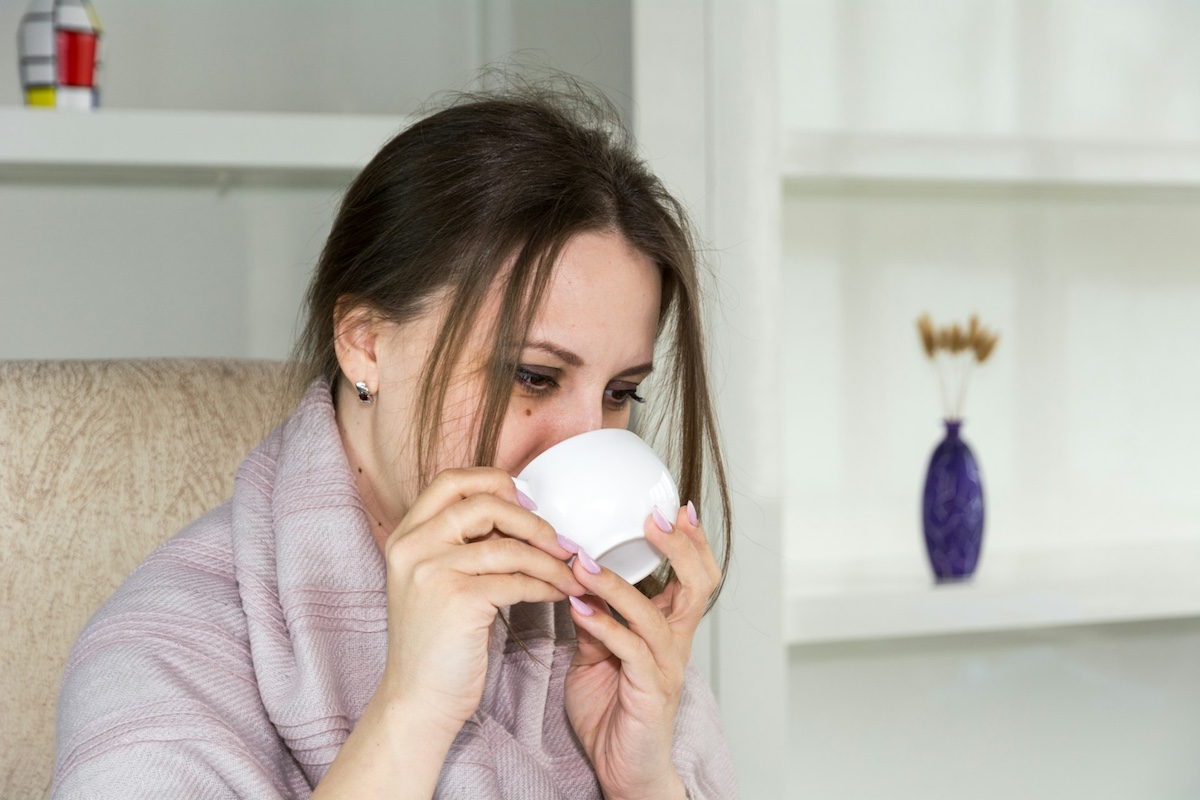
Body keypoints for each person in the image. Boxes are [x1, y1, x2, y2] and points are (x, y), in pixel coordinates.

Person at [52, 77, 738, 799]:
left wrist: (642, 782)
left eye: (619, 392)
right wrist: (411, 713)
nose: (583, 435)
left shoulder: (606, 645)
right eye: (533, 376)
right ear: (365, 344)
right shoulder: (169, 652)